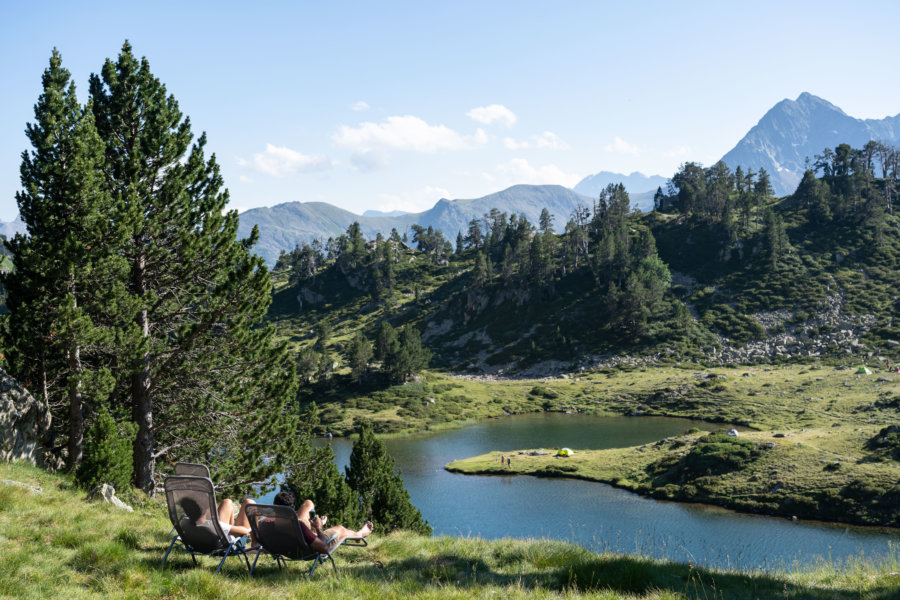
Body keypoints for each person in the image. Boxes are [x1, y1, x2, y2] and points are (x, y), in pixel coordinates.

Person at [272, 490, 373, 554]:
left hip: (289, 544)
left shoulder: (267, 524)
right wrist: (319, 527)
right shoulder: (299, 526)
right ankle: (359, 535)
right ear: (292, 510)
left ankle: (314, 530)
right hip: (306, 549)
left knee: (308, 503)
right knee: (340, 528)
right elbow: (324, 548)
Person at [179, 496, 255, 543]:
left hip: (209, 540)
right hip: (228, 545)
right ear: (206, 510)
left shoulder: (185, 523)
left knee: (227, 502)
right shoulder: (215, 526)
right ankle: (255, 542)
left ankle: (231, 530)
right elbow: (245, 531)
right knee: (249, 503)